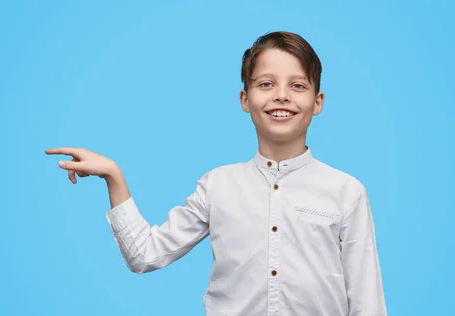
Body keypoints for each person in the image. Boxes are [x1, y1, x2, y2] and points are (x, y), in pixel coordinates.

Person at [46, 31, 387, 316]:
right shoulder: (217, 186)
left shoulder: (346, 191)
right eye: (266, 84)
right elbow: (144, 255)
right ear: (244, 98)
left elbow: (367, 302)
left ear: (318, 101)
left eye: (297, 86)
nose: (281, 96)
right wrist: (113, 176)